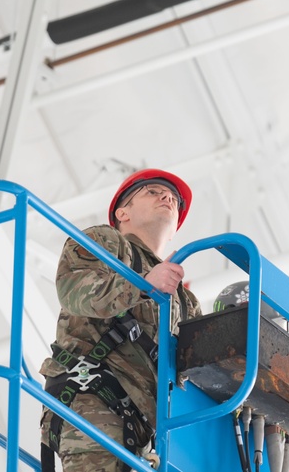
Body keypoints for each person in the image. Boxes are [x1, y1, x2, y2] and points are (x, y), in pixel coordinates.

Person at [39, 168, 202, 472]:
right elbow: (73, 290)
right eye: (153, 191)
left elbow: (201, 371)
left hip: (150, 435)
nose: (167, 197)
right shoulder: (108, 241)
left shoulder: (185, 300)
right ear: (122, 212)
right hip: (96, 403)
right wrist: (144, 285)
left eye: (174, 200)